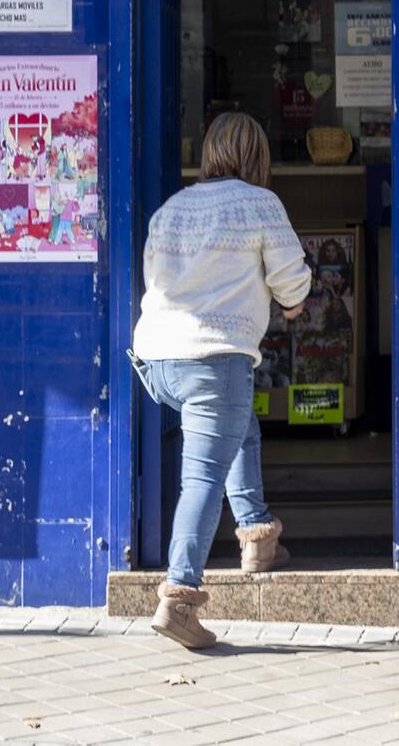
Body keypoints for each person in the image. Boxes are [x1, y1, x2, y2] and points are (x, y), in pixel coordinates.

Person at [130, 112, 312, 649]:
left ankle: (257, 534)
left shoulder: (171, 209)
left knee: (238, 424)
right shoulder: (261, 204)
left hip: (156, 362)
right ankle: (179, 599)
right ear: (259, 156)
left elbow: (155, 280)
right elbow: (293, 288)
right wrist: (290, 298)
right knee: (202, 478)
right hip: (213, 358)